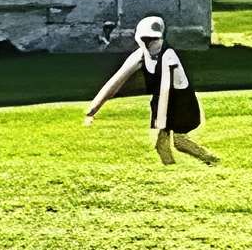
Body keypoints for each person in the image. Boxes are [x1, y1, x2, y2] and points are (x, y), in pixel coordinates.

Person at [86, 16, 218, 165]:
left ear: (161, 38)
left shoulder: (169, 56)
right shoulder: (139, 56)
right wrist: (92, 110)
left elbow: (165, 89)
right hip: (161, 101)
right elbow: (115, 83)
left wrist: (161, 120)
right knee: (161, 146)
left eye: (153, 39)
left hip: (182, 103)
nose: (149, 43)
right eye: (145, 39)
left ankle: (212, 160)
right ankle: (171, 170)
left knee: (180, 142)